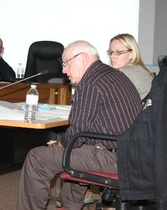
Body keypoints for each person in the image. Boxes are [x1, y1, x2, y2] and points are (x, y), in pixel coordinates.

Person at [16, 40, 142, 210]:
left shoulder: (90, 82)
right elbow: (89, 131)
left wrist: (60, 145)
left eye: (66, 63)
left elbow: (78, 131)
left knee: (37, 158)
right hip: (135, 154)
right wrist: (65, 145)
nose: (63, 70)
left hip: (116, 158)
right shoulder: (114, 75)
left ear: (82, 58)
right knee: (75, 151)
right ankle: (69, 206)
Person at [107, 33, 154, 100]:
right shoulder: (138, 68)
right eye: (111, 52)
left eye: (118, 52)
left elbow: (111, 100)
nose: (112, 56)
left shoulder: (128, 71)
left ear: (132, 54)